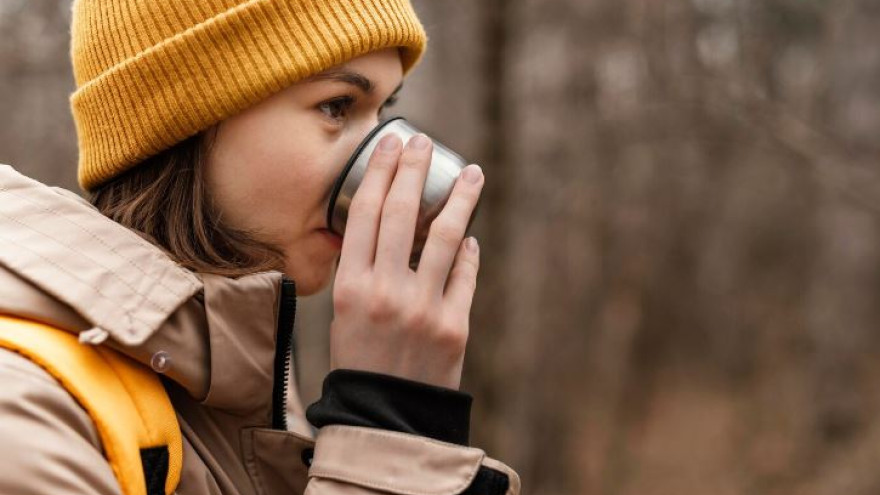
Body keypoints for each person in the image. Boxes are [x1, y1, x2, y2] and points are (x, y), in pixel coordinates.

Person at [0, 1, 520, 494]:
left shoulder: (249, 390)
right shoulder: (26, 415)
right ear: (186, 112)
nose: (387, 163)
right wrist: (389, 428)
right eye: (338, 106)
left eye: (384, 111)